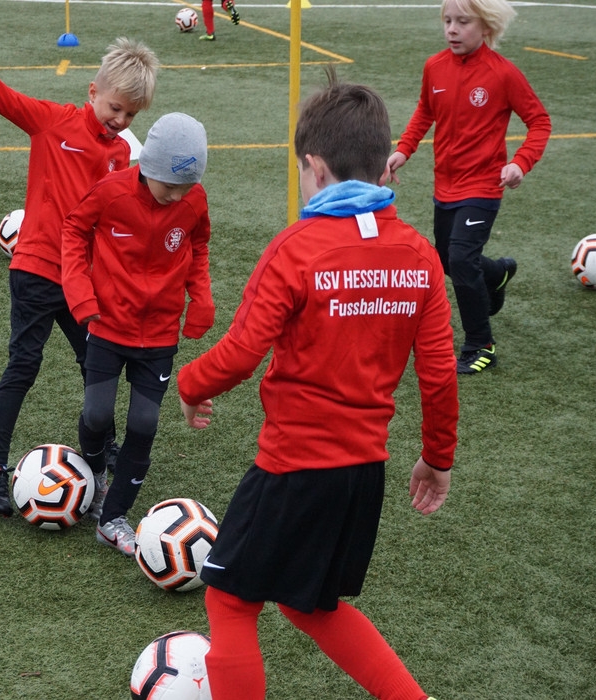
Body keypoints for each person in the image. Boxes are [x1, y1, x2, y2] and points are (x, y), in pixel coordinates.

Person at [177, 70, 459, 700]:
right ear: (383, 168)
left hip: (294, 466)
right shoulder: (418, 254)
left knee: (229, 600)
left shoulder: (298, 247)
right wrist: (437, 457)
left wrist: (191, 383)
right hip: (363, 474)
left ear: (314, 167)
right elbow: (439, 374)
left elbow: (242, 352)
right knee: (310, 607)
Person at [0, 29, 160, 516]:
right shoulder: (52, 121)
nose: (120, 121)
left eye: (130, 115)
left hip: (83, 282)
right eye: (115, 108)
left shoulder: (121, 154)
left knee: (96, 363)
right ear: (93, 92)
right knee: (24, 364)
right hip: (36, 271)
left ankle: (105, 447)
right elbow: (2, 97)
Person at [62, 113, 214, 556]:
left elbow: (198, 245)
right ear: (148, 166)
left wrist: (201, 299)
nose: (178, 196)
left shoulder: (193, 200)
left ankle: (113, 519)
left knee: (144, 424)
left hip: (160, 333)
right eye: (170, 185)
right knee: (97, 415)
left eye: (186, 187)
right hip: (108, 325)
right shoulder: (111, 191)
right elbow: (73, 230)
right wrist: (80, 295)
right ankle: (95, 477)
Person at [387, 0, 550, 374]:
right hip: (445, 184)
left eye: (463, 22)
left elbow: (539, 121)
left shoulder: (503, 73)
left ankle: (481, 345)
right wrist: (403, 150)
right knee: (448, 259)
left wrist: (520, 163)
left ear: (486, 27)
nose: (452, 29)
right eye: (447, 21)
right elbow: (425, 110)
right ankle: (497, 273)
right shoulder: (435, 66)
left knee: (460, 259)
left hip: (483, 186)